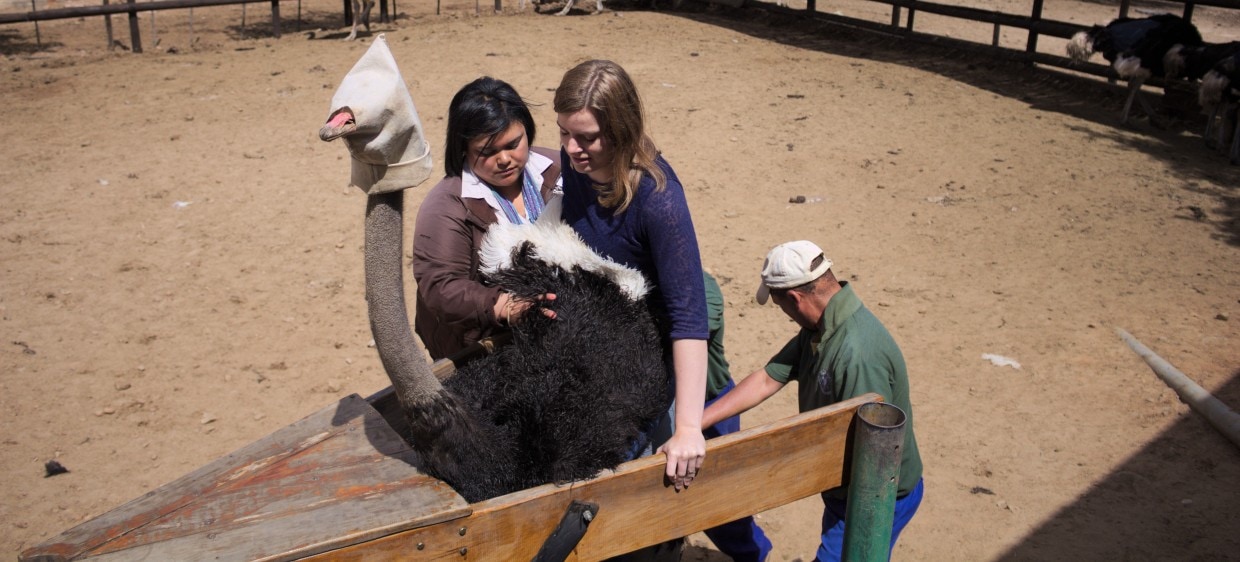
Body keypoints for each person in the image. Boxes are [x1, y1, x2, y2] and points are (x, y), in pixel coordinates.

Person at [702, 241, 924, 562]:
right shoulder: (820, 326)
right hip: (845, 490)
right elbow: (767, 378)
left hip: (874, 495)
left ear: (795, 298)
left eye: (781, 307)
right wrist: (696, 423)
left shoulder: (856, 354)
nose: (786, 315)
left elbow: (870, 450)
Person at [553, 59, 707, 491]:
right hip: (599, 335)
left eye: (586, 137)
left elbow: (689, 319)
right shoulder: (578, 164)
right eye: (563, 131)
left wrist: (690, 428)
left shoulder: (659, 202)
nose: (570, 147)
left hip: (646, 357)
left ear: (620, 130)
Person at [412, 77, 560, 361]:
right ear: (463, 149)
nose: (504, 159)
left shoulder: (557, 169)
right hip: (485, 350)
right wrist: (505, 307)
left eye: (513, 144)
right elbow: (441, 287)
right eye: (487, 152)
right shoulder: (446, 206)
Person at [701, 271, 773, 562]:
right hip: (661, 407)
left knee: (719, 499)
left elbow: (692, 331)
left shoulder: (701, 286)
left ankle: (754, 554)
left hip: (712, 405)